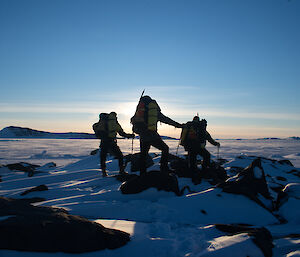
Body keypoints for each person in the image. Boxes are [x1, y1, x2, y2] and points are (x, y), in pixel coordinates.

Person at [131, 95, 182, 175]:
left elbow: (133, 120)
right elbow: (166, 120)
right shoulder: (153, 111)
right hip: (152, 135)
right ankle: (164, 168)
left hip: (143, 136)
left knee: (143, 155)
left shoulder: (140, 111)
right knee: (165, 149)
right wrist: (178, 125)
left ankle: (142, 173)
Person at [93, 112, 134, 177]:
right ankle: (121, 171)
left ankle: (104, 173)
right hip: (112, 142)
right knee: (120, 156)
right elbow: (122, 133)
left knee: (103, 157)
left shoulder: (102, 123)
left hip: (104, 142)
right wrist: (130, 135)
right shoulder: (114, 123)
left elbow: (96, 128)